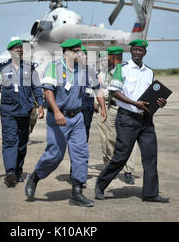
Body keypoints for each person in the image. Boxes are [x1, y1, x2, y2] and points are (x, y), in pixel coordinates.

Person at [25, 38, 107, 207]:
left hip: (77, 118)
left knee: (81, 154)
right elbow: (48, 91)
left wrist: (103, 107)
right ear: (67, 53)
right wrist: (55, 111)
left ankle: (77, 193)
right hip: (58, 117)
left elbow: (98, 87)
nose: (81, 54)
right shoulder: (54, 67)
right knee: (55, 155)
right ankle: (35, 176)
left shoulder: (85, 69)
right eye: (78, 51)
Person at [95, 39, 169, 203]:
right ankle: (100, 185)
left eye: (140, 50)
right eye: (134, 50)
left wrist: (161, 102)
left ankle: (150, 194)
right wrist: (135, 103)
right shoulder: (122, 69)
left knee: (150, 157)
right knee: (121, 156)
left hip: (146, 121)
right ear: (131, 51)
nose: (137, 52)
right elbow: (114, 92)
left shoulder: (149, 72)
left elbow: (152, 95)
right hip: (127, 118)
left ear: (145, 53)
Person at [0, 39, 44, 187]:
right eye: (15, 48)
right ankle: (10, 172)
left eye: (20, 48)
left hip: (25, 111)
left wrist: (40, 104)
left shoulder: (30, 68)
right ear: (10, 51)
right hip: (8, 111)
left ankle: (18, 170)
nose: (19, 50)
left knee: (22, 143)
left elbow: (37, 87)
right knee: (9, 141)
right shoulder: (2, 69)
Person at [96, 46, 139, 185]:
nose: (104, 60)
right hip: (111, 107)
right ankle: (110, 168)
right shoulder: (104, 72)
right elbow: (100, 90)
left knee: (129, 140)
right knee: (109, 139)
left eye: (106, 57)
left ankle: (128, 171)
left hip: (125, 107)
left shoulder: (127, 70)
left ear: (113, 57)